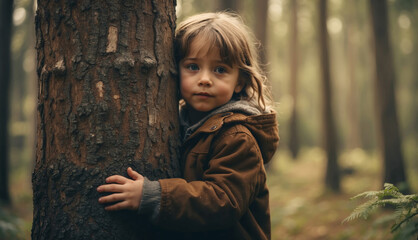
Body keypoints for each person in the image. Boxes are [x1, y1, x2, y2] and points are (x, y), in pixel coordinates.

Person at [97, 12, 279, 239]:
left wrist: (154, 196)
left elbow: (223, 202)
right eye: (193, 66)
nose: (205, 79)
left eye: (220, 70)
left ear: (240, 81)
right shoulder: (179, 121)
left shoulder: (238, 136)